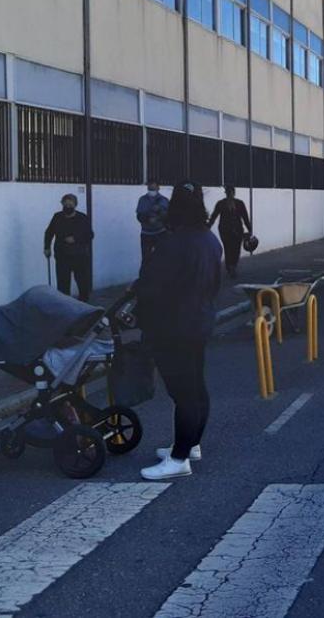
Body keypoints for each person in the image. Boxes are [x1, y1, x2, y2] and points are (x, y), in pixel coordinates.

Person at [136, 181, 223, 480]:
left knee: (182, 392)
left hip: (173, 327)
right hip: (200, 321)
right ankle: (192, 444)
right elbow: (215, 283)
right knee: (196, 385)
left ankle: (179, 458)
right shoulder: (210, 240)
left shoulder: (172, 243)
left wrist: (139, 317)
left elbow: (151, 287)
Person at [44, 194, 93, 302]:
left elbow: (90, 235)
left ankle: (84, 305)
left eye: (70, 204)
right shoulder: (57, 217)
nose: (67, 206)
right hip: (62, 256)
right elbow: (49, 232)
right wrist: (47, 247)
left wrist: (75, 239)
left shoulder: (82, 218)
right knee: (62, 284)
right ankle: (64, 306)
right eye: (65, 204)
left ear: (75, 205)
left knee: (82, 283)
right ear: (62, 204)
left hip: (79, 256)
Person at [208, 185, 252, 279]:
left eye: (231, 192)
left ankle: (233, 266)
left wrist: (249, 229)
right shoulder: (221, 204)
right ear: (226, 193)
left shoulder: (239, 203)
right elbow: (214, 216)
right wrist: (208, 226)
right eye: (228, 192)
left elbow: (245, 217)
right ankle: (230, 267)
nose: (230, 194)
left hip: (237, 230)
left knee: (236, 249)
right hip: (225, 230)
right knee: (228, 248)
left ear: (234, 193)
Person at [136, 180, 170, 266]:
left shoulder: (164, 200)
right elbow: (139, 216)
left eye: (153, 188)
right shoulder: (142, 199)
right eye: (149, 188)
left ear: (158, 188)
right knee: (146, 259)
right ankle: (145, 278)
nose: (151, 190)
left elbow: (168, 216)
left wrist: (158, 216)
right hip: (146, 233)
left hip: (161, 233)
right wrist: (148, 219)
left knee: (163, 258)